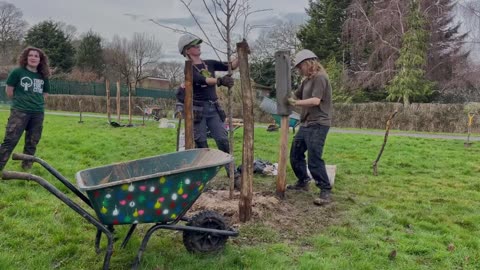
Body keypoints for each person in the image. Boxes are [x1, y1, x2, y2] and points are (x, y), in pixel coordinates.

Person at [177, 34, 240, 186]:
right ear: (187, 50)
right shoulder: (189, 68)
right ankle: (204, 176)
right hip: (197, 110)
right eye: (194, 45)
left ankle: (232, 171)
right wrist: (219, 81)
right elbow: (201, 79)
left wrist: (241, 53)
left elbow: (230, 65)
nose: (198, 46)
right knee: (201, 143)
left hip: (213, 108)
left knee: (222, 139)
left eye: (198, 44)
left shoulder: (209, 63)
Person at [286, 49, 333, 206]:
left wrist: (295, 103)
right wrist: (284, 93)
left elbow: (315, 101)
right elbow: (295, 95)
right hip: (306, 123)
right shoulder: (306, 81)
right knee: (295, 154)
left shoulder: (320, 78)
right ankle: (303, 181)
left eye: (300, 67)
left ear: (308, 63)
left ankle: (325, 190)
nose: (299, 70)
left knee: (314, 158)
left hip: (318, 123)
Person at [0, 46, 50, 171]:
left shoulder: (43, 75)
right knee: (10, 140)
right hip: (19, 112)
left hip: (37, 113)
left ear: (40, 60)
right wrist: (20, 102)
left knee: (32, 142)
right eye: (30, 55)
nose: (33, 58)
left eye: (36, 56)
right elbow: (9, 90)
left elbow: (45, 94)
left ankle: (26, 169)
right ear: (26, 58)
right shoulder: (17, 72)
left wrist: (36, 103)